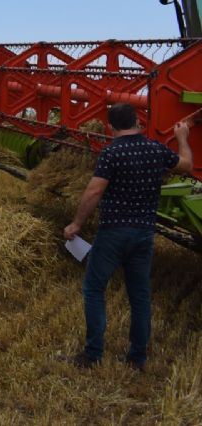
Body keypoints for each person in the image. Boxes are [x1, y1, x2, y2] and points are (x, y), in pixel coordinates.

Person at [62, 104, 193, 370]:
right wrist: (182, 138)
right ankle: (137, 358)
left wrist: (76, 223)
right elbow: (187, 166)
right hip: (144, 233)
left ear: (111, 126)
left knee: (94, 289)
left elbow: (94, 192)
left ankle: (93, 354)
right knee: (140, 296)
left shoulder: (112, 152)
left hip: (113, 232)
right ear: (138, 121)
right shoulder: (155, 149)